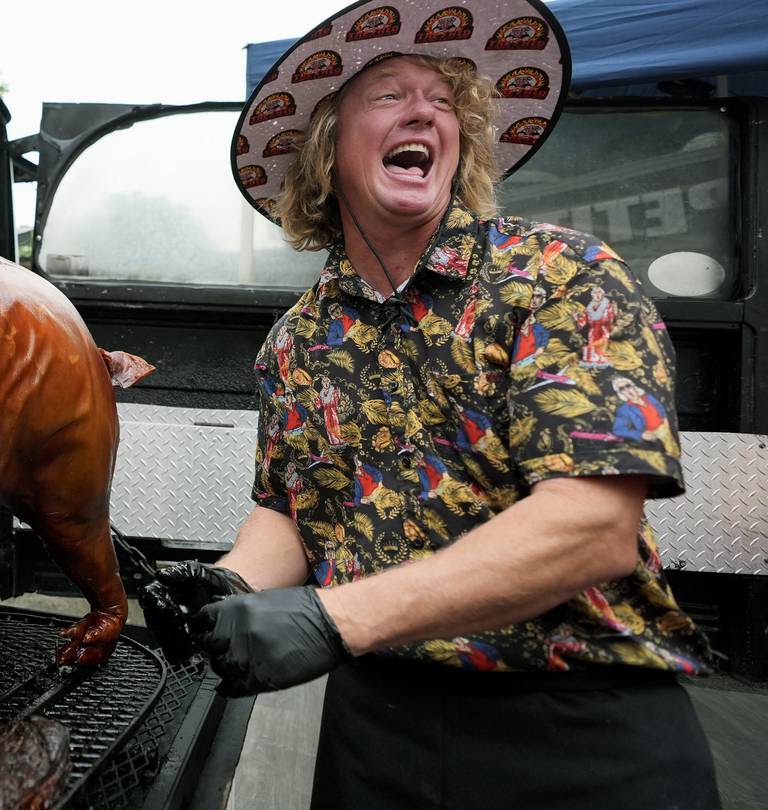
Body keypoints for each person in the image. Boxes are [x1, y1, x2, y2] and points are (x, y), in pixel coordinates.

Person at [145, 0, 721, 806]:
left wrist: (329, 620)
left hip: (584, 730)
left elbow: (593, 529)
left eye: (443, 101)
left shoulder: (559, 275)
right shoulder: (296, 340)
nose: (423, 110)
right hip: (378, 730)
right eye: (387, 94)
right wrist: (229, 586)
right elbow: (293, 511)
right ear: (326, 149)